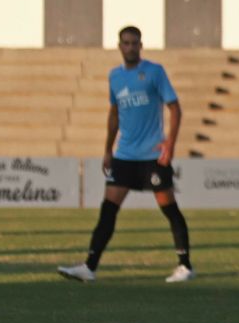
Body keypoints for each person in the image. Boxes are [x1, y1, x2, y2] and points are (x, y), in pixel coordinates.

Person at [57, 26, 193, 284]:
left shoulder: (154, 72)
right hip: (125, 156)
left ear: (141, 46)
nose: (130, 47)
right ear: (119, 46)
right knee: (108, 211)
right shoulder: (115, 77)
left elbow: (175, 108)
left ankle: (185, 266)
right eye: (126, 43)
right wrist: (108, 149)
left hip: (152, 156)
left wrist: (170, 144)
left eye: (134, 43)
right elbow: (114, 113)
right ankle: (90, 267)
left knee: (169, 209)